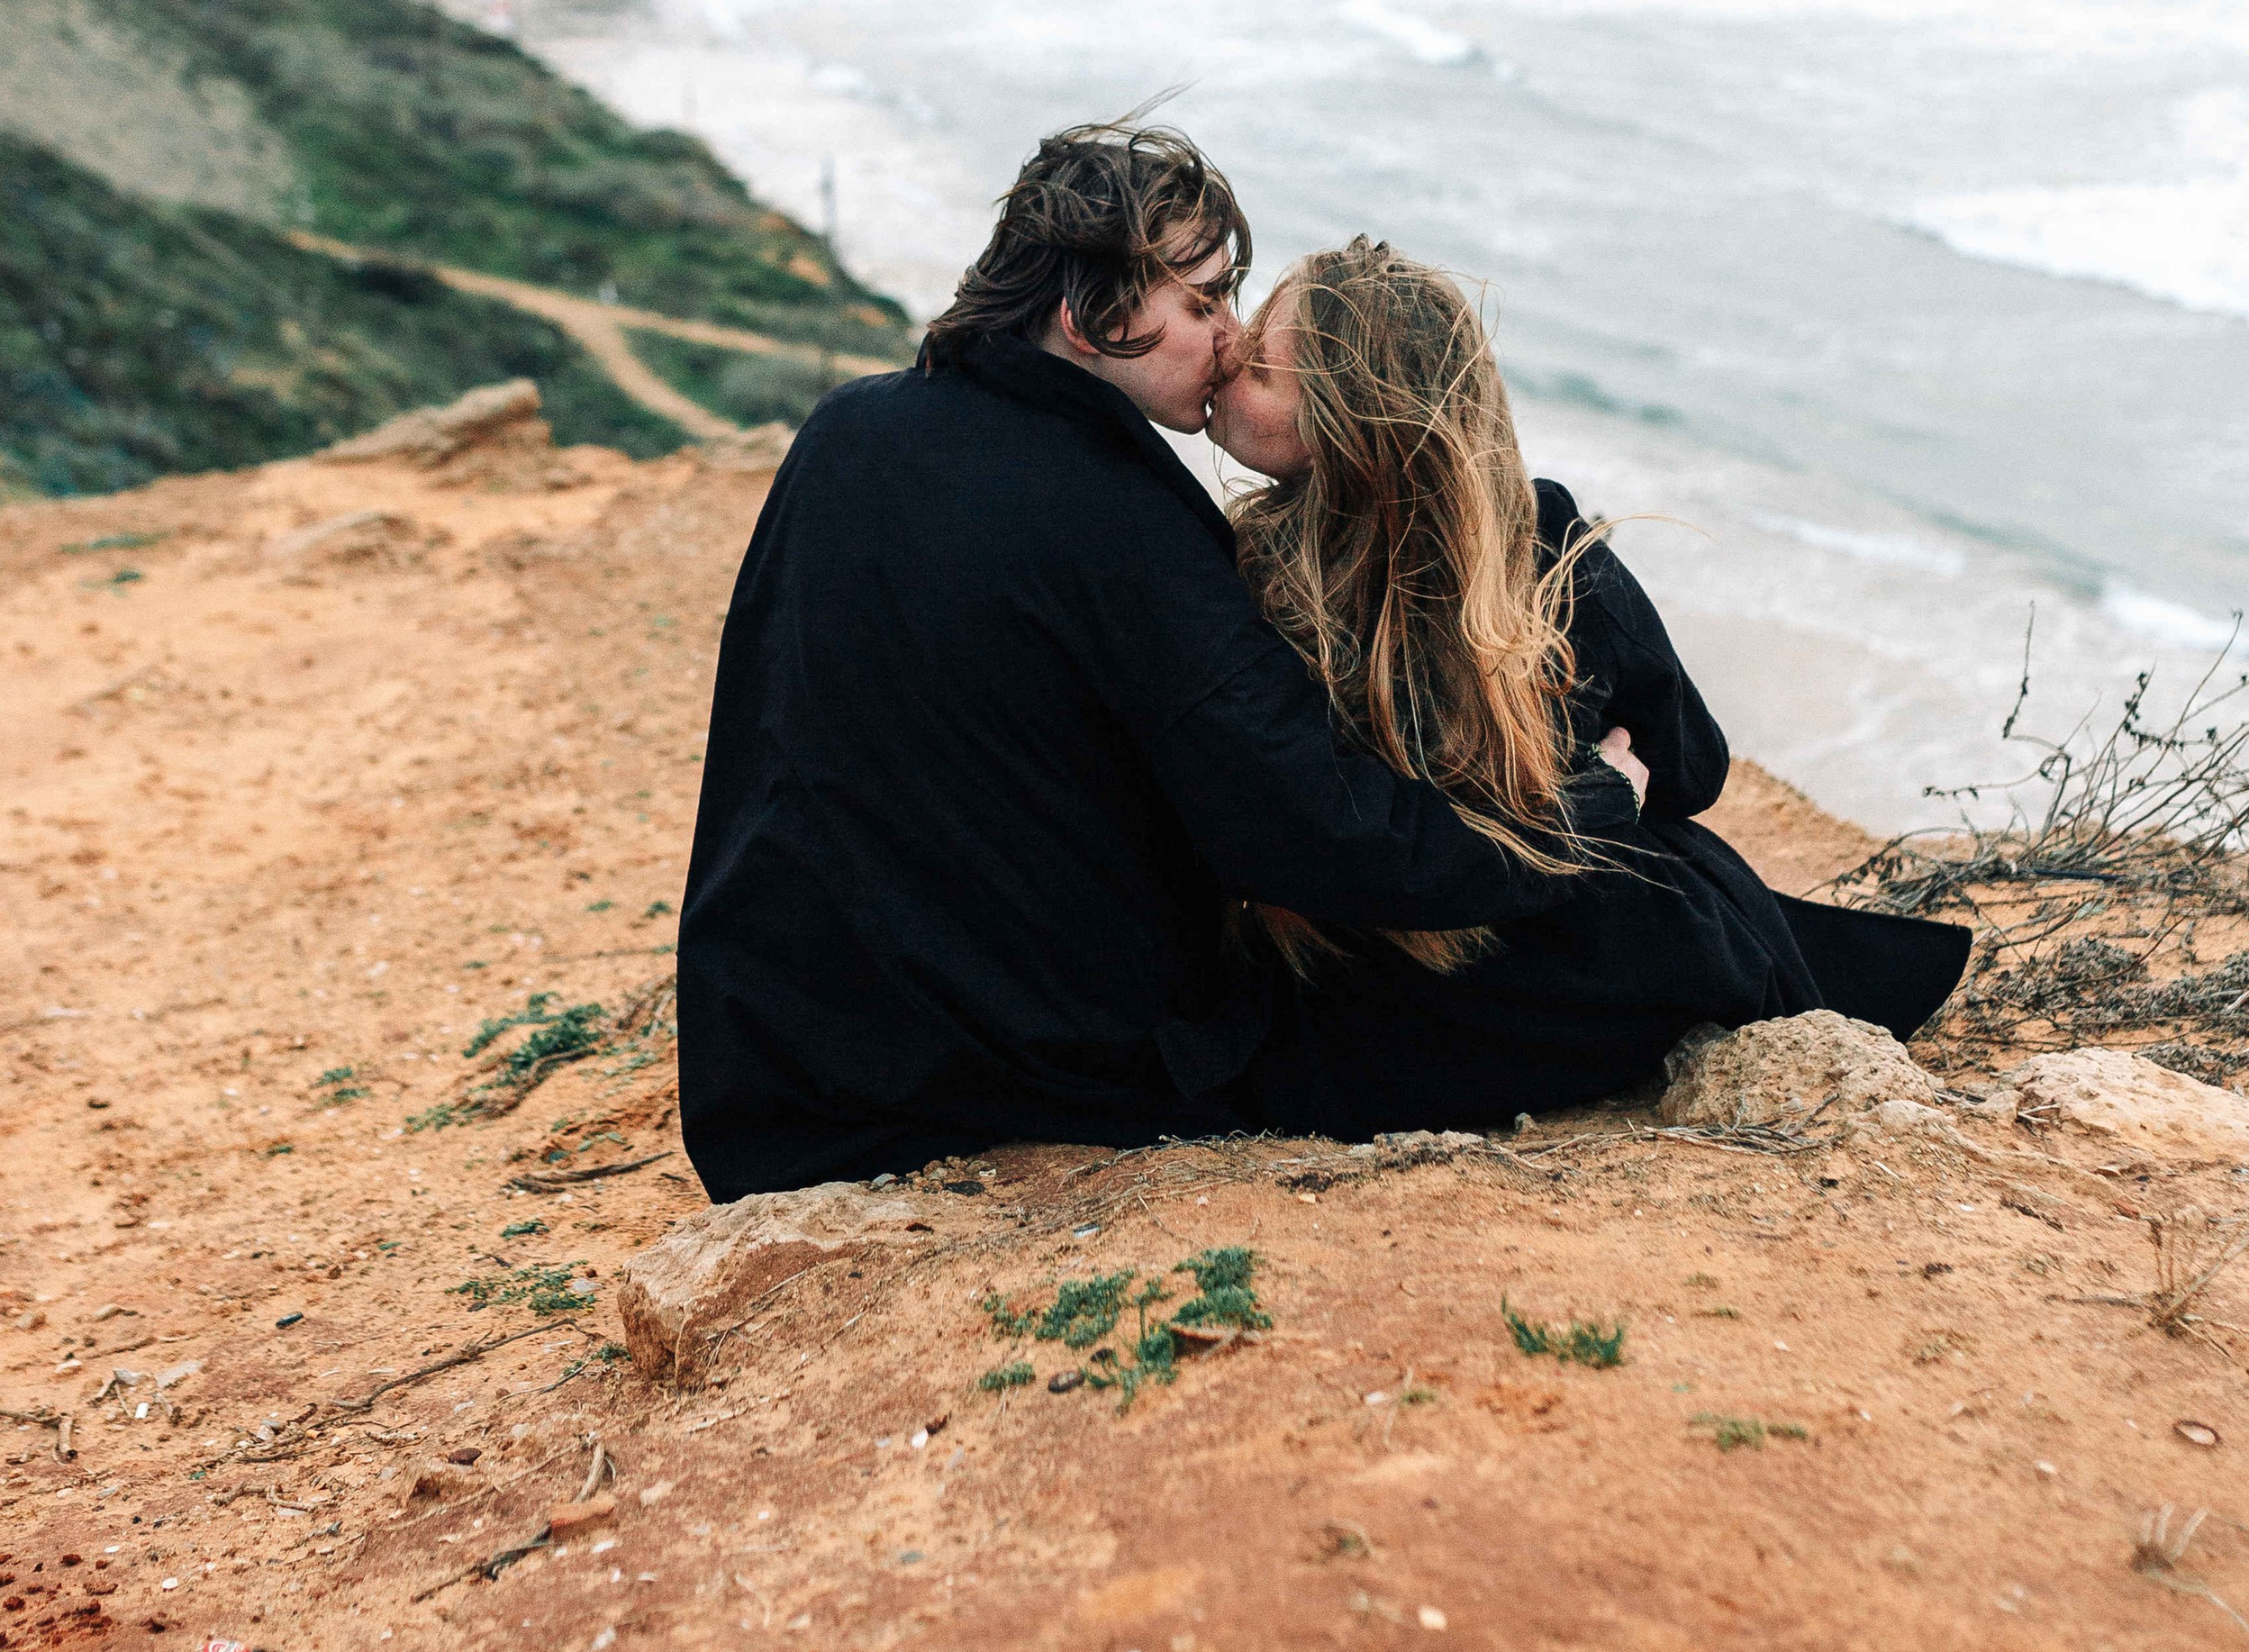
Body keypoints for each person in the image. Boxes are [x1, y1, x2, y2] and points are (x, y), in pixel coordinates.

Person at [675, 125, 1648, 1197]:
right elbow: (1324, 838)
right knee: (1640, 944)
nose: (1230, 339)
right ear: (1089, 318)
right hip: (999, 1075)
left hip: (770, 1064)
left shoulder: (848, 429)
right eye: (1201, 303)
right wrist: (1587, 813)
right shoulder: (1121, 520)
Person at [1207, 238, 1971, 1137]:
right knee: (1681, 876)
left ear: (1349, 421)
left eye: (1258, 358)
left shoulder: (1233, 571)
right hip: (1543, 966)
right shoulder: (1544, 543)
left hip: (1370, 996)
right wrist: (1598, 792)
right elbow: (1690, 767)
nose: (1223, 353)